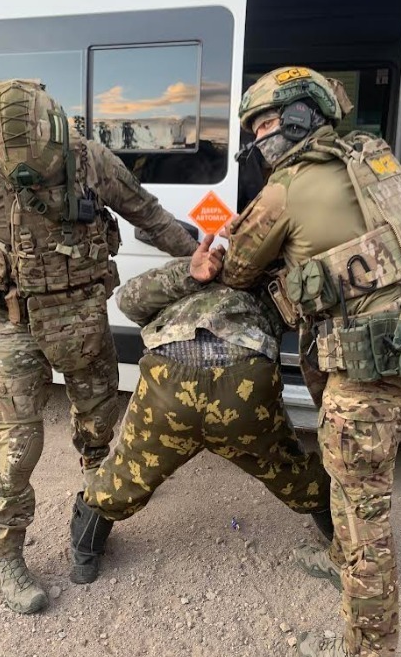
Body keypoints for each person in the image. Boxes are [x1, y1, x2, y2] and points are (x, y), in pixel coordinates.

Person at [220, 67, 401, 657]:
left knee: (364, 506)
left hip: (366, 367)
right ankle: (341, 561)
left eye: (266, 122)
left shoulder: (285, 190)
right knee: (352, 480)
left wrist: (240, 241)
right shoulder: (372, 157)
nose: (259, 137)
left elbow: (237, 271)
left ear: (301, 116)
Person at [0, 79, 198, 615]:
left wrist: (197, 259)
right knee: (17, 446)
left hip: (84, 319)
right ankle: (7, 553)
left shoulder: (92, 161)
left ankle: (94, 502)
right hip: (18, 327)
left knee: (98, 423)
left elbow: (147, 214)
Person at [68, 233, 334, 586]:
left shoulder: (184, 274)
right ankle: (344, 547)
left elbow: (128, 300)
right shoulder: (269, 284)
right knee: (291, 469)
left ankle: (85, 558)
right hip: (243, 388)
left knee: (126, 474)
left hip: (169, 385)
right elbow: (307, 317)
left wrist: (189, 275)